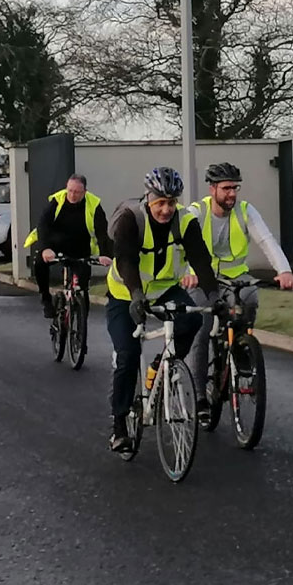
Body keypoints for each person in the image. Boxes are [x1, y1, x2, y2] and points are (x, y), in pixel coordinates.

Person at [106, 166, 220, 452]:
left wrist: (215, 299)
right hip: (125, 293)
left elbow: (202, 260)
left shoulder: (185, 221)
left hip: (165, 289)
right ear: (149, 198)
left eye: (171, 203)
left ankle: (164, 365)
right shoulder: (132, 219)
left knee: (193, 320)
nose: (166, 209)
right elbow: (126, 261)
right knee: (128, 355)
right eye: (160, 203)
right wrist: (135, 296)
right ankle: (119, 425)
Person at [184, 162, 293, 413]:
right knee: (200, 331)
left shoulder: (245, 210)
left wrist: (284, 270)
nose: (232, 194)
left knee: (250, 297)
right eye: (226, 188)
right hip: (202, 280)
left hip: (236, 277)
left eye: (235, 188)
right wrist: (186, 274)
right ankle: (200, 396)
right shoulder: (196, 212)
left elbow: (266, 240)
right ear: (212, 189)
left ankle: (242, 345)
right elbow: (177, 244)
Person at [24, 174, 113, 318]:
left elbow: (102, 231)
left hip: (80, 246)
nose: (72, 195)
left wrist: (105, 254)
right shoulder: (57, 200)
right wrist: (45, 248)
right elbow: (43, 225)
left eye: (77, 192)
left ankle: (81, 326)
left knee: (82, 288)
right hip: (55, 244)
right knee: (40, 263)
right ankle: (46, 300)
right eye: (70, 190)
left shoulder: (93, 204)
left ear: (85, 192)